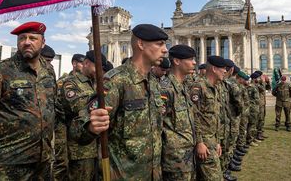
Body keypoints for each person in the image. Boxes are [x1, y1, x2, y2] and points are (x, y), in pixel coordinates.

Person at [70, 24, 168, 180]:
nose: (165, 49)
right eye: (159, 44)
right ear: (141, 44)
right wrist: (90, 126)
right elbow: (77, 129)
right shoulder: (115, 81)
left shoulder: (153, 82)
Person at [0, 22, 56, 180]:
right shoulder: (1, 71)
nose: (27, 42)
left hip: (42, 160)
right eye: (22, 38)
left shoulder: (48, 71)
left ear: (43, 43)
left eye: (33, 38)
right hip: (9, 161)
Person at [54, 50, 112, 181]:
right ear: (86, 63)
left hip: (97, 146)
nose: (100, 71)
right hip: (79, 149)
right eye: (97, 66)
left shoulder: (96, 83)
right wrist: (102, 97)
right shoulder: (71, 83)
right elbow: (78, 106)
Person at [160, 44, 196, 181]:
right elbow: (157, 126)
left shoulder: (183, 87)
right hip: (174, 161)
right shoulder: (166, 89)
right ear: (177, 61)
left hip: (187, 157)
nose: (194, 62)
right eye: (190, 59)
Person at [189, 56, 225, 181]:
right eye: (223, 69)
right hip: (204, 143)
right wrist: (199, 142)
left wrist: (218, 141)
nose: (225, 71)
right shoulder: (198, 87)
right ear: (214, 69)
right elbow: (194, 116)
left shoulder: (214, 87)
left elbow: (214, 117)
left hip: (212, 142)